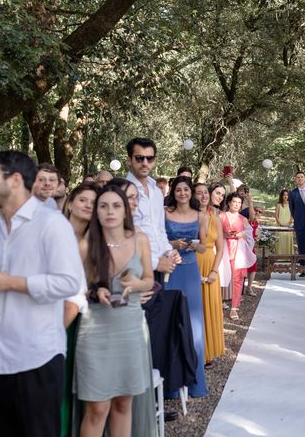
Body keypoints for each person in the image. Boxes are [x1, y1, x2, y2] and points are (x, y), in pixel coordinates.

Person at [0, 150, 85, 437]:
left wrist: (12, 282)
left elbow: (69, 282)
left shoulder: (51, 224)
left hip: (35, 358)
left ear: (14, 180)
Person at [75, 185, 154, 437]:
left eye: (116, 205)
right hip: (96, 329)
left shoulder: (140, 240)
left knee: (123, 402)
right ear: (96, 212)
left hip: (130, 326)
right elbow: (78, 289)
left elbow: (150, 279)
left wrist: (137, 284)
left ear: (125, 211)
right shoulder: (86, 245)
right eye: (103, 206)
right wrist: (96, 291)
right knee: (97, 408)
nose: (110, 211)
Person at [164, 176, 208, 398]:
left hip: (190, 270)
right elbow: (157, 241)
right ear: (173, 191)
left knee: (194, 324)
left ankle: (196, 382)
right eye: (178, 190)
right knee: (170, 322)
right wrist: (173, 244)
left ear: (191, 192)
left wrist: (192, 245)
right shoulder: (164, 213)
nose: (182, 193)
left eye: (186, 190)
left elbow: (204, 248)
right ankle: (170, 385)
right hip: (170, 269)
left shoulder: (201, 216)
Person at [61, 182, 98, 436]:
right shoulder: (54, 232)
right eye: (83, 199)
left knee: (75, 383)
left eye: (94, 203)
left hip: (83, 319)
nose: (88, 206)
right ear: (71, 202)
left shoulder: (96, 241)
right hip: (51, 312)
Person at [125, 137, 179, 285]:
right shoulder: (121, 191)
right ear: (129, 159)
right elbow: (121, 237)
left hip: (160, 267)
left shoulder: (156, 191)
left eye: (149, 158)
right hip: (132, 268)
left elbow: (159, 229)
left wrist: (169, 251)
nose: (145, 163)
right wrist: (155, 263)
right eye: (139, 158)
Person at [193, 183, 226, 365]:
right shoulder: (189, 216)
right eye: (199, 193)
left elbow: (220, 248)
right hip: (192, 264)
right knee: (195, 310)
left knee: (209, 308)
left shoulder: (216, 217)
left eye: (206, 192)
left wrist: (214, 271)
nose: (204, 196)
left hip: (210, 265)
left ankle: (207, 352)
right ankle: (195, 352)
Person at [220, 193, 255, 321]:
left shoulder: (243, 219)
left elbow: (250, 235)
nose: (236, 204)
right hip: (222, 250)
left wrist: (242, 234)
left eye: (239, 203)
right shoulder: (221, 216)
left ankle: (234, 307)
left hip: (238, 251)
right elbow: (213, 232)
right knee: (220, 277)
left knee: (238, 279)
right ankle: (218, 302)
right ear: (229, 202)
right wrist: (224, 233)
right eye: (234, 201)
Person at [245, 206, 263, 296]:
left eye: (260, 212)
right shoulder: (246, 220)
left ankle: (249, 287)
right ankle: (239, 288)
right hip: (244, 245)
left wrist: (256, 238)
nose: (258, 213)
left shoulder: (256, 222)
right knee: (243, 266)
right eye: (256, 210)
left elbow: (255, 233)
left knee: (253, 267)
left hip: (251, 246)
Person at [275, 189, 294, 254]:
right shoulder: (278, 204)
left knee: (287, 240)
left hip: (288, 225)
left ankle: (288, 257)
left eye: (287, 195)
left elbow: (292, 215)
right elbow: (276, 215)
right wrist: (280, 224)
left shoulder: (291, 204)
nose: (286, 196)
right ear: (281, 196)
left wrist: (290, 223)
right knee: (280, 241)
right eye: (284, 195)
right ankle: (279, 257)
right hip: (280, 225)